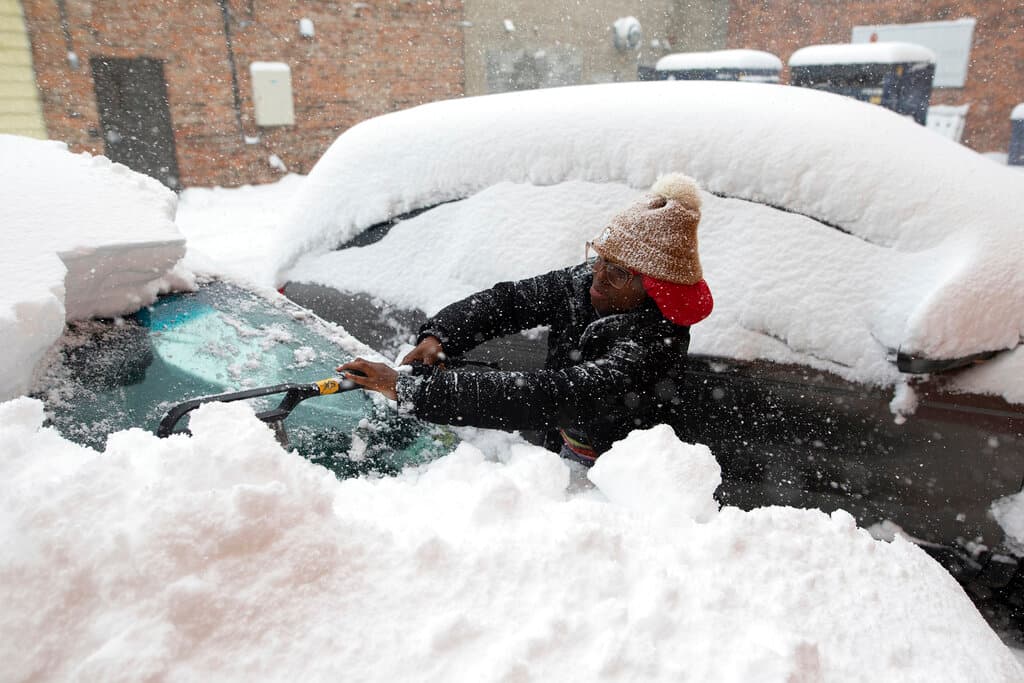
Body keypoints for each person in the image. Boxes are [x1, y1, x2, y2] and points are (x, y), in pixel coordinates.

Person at [338, 172, 713, 465]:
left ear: (653, 287)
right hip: (566, 453)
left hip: (628, 478)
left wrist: (412, 391)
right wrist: (441, 336)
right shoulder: (583, 283)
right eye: (598, 258)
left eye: (617, 272)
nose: (597, 275)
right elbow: (510, 301)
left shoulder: (652, 343)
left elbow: (548, 395)